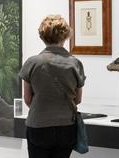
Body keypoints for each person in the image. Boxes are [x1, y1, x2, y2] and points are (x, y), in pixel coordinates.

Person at [19, 15, 86, 158]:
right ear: (65, 35)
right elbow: (78, 99)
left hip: (38, 125)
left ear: (43, 36)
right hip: (66, 126)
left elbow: (28, 99)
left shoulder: (32, 63)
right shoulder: (75, 63)